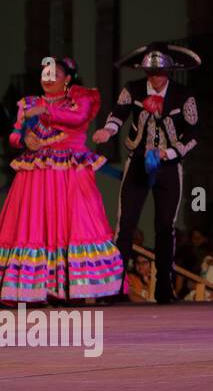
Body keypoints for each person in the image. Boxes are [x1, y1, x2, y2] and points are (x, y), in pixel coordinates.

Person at [0, 56, 124, 303]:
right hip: (35, 174)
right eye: (45, 74)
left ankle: (72, 287)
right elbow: (14, 135)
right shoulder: (28, 103)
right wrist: (24, 140)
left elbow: (78, 120)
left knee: (75, 224)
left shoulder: (79, 100)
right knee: (34, 226)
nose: (48, 79)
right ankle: (35, 289)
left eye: (54, 74)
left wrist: (46, 109)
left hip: (70, 172)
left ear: (67, 79)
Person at [93, 43, 201, 305]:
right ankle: (115, 287)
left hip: (168, 166)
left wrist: (171, 153)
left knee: (165, 227)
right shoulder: (133, 89)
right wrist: (108, 131)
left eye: (161, 73)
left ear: (169, 72)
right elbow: (117, 115)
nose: (157, 78)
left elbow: (194, 134)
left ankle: (164, 288)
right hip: (139, 160)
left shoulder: (183, 95)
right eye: (152, 73)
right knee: (125, 225)